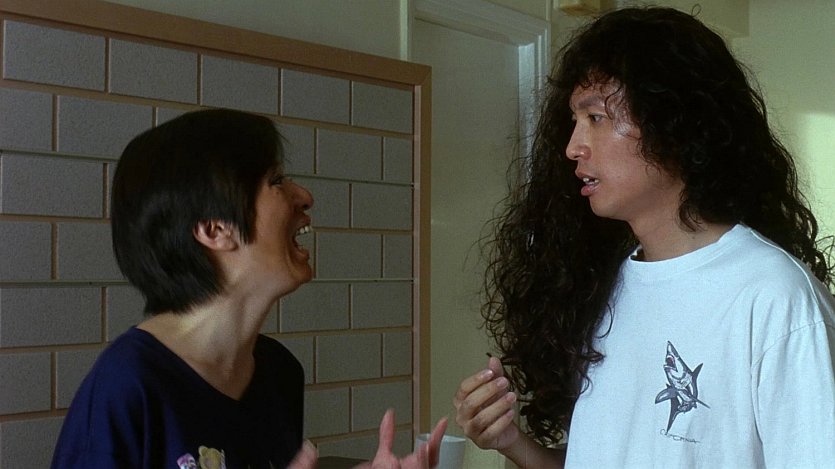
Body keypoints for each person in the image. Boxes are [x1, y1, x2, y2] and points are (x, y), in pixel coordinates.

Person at [453, 6, 835, 468]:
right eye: (574, 121)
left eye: (595, 117)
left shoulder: (774, 297)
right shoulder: (603, 285)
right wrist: (513, 442)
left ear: (674, 123)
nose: (572, 147)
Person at [51, 108, 446, 469]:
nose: (304, 197)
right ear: (214, 229)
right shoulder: (127, 386)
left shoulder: (279, 373)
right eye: (276, 181)